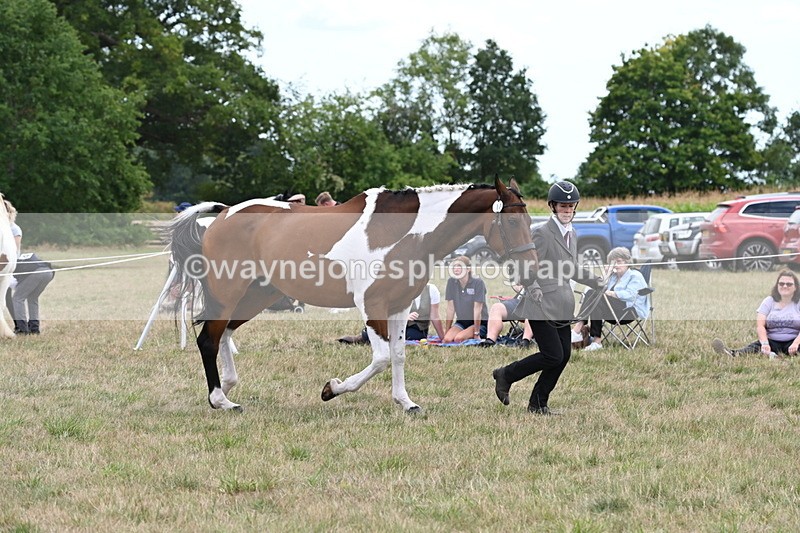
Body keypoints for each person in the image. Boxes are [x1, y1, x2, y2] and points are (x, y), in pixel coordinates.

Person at [491, 181, 599, 415]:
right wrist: (534, 287)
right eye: (563, 206)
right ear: (552, 206)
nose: (567, 210)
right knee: (553, 354)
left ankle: (538, 403)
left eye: (571, 206)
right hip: (539, 303)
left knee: (563, 356)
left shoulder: (573, 234)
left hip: (562, 303)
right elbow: (526, 266)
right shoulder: (541, 232)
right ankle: (506, 374)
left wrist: (595, 280)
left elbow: (572, 268)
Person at [571, 246, 649, 351]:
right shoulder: (613, 276)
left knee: (597, 296)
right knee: (594, 295)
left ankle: (577, 329)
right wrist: (606, 273)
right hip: (610, 311)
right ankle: (596, 341)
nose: (616, 265)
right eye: (613, 262)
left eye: (619, 261)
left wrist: (611, 293)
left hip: (628, 311)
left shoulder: (635, 275)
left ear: (627, 262)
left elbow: (631, 295)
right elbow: (599, 286)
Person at [713, 269, 800, 358]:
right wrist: (765, 343)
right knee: (753, 348)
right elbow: (760, 325)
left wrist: (796, 343)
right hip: (771, 341)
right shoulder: (768, 301)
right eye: (781, 283)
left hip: (794, 341)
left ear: (796, 287)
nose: (784, 286)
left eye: (789, 284)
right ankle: (731, 354)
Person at [338, 283, 445, 344]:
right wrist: (405, 317)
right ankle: (364, 337)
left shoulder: (432, 290)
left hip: (417, 328)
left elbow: (434, 316)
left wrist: (442, 338)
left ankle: (371, 338)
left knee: (410, 336)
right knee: (372, 332)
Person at [442, 255, 488, 343]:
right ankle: (462, 332)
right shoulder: (451, 282)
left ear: (468, 269)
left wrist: (476, 333)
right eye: (454, 266)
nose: (456, 269)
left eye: (459, 266)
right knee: (447, 339)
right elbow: (450, 309)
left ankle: (477, 332)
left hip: (479, 323)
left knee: (459, 338)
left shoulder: (478, 282)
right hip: (462, 322)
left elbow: (477, 309)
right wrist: (446, 331)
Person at [12, 252, 54, 334]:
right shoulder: (14, 256)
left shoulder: (6, 264)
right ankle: (34, 328)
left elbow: (12, 284)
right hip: (48, 272)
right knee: (32, 298)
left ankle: (22, 329)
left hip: (36, 273)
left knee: (17, 298)